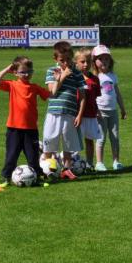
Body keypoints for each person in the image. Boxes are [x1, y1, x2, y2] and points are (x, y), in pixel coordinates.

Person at [0, 56, 51, 187]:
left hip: (31, 129)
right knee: (11, 155)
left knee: (32, 156)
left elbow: (49, 95)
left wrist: (58, 79)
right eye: (23, 72)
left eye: (29, 71)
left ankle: (38, 177)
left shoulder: (34, 87)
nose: (26, 74)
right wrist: (8, 68)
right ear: (15, 72)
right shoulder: (12, 85)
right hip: (14, 128)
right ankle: (6, 178)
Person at [43, 41, 86, 180]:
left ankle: (66, 169)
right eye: (62, 60)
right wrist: (63, 76)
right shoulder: (52, 71)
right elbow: (52, 92)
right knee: (50, 141)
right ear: (55, 59)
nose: (66, 62)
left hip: (70, 113)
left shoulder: (77, 73)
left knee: (68, 143)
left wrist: (79, 114)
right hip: (54, 113)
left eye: (68, 59)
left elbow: (83, 96)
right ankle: (46, 168)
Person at [91, 45, 127, 171]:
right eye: (101, 59)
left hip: (113, 111)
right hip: (100, 112)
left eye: (106, 58)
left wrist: (122, 108)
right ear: (94, 61)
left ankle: (116, 161)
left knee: (115, 137)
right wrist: (95, 110)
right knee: (101, 137)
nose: (104, 61)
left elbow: (117, 93)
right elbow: (92, 96)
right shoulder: (94, 77)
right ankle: (99, 163)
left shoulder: (113, 76)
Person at [74, 47, 102, 171]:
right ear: (76, 62)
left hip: (90, 115)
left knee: (89, 141)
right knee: (75, 141)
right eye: (82, 62)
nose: (86, 64)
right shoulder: (73, 78)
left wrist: (98, 111)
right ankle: (74, 165)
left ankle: (90, 164)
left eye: (88, 62)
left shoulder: (95, 79)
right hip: (76, 115)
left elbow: (95, 98)